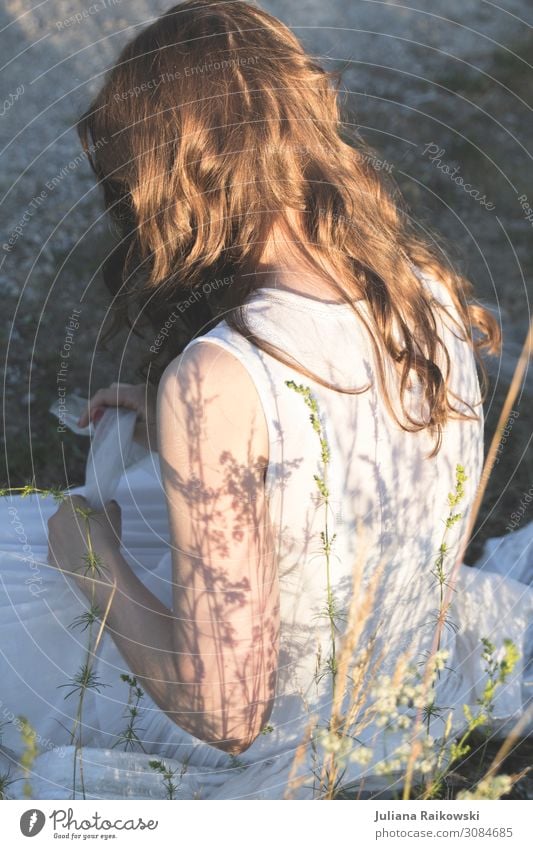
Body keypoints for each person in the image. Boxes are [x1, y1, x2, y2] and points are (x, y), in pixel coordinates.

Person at [1, 0, 532, 800]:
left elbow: (227, 709)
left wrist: (91, 556)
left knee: (32, 547)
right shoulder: (424, 293)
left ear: (165, 175)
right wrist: (170, 414)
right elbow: (341, 457)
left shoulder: (220, 378)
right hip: (392, 667)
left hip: (285, 724)